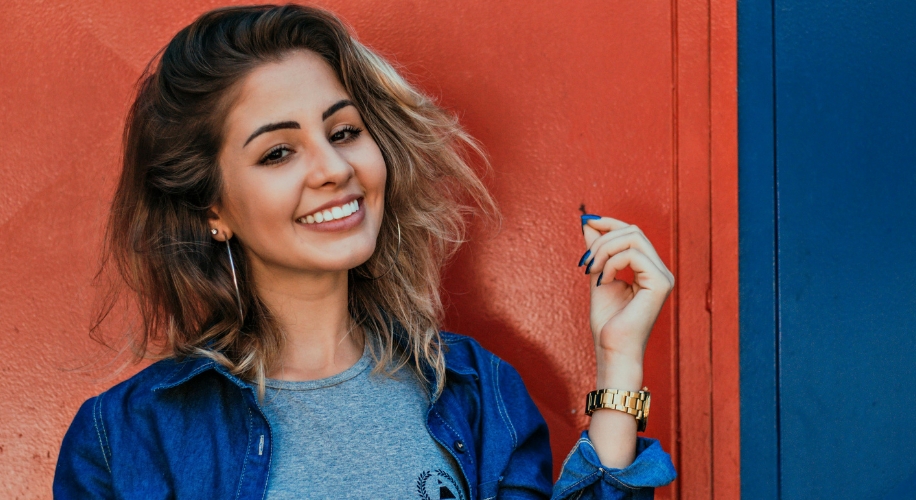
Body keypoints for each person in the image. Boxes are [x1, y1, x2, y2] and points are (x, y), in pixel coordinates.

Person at [53, 4, 677, 499]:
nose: (333, 168)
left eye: (344, 131)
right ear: (211, 209)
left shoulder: (476, 393)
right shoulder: (130, 439)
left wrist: (618, 364)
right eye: (278, 152)